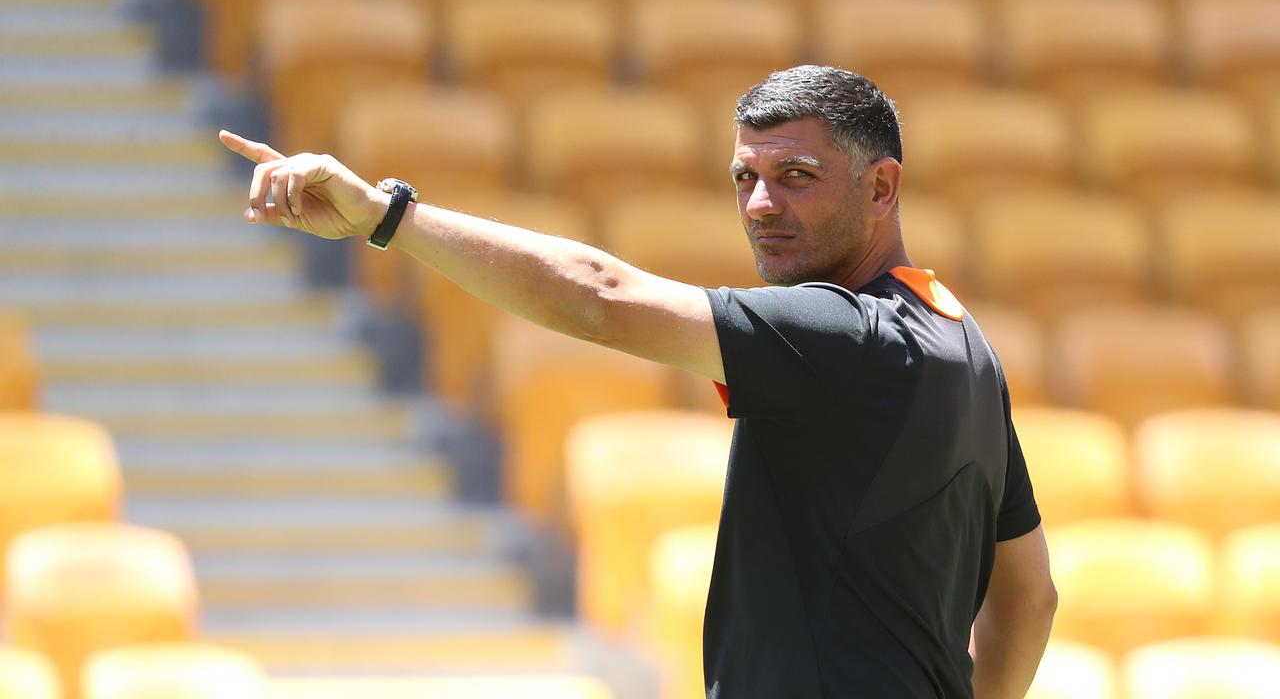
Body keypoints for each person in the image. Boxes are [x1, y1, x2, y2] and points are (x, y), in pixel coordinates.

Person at [220, 65, 1056, 699]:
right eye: (745, 178)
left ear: (882, 187)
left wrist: (384, 216)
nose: (761, 203)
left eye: (796, 175)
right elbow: (1029, 597)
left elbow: (599, 298)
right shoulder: (963, 343)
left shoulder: (850, 338)